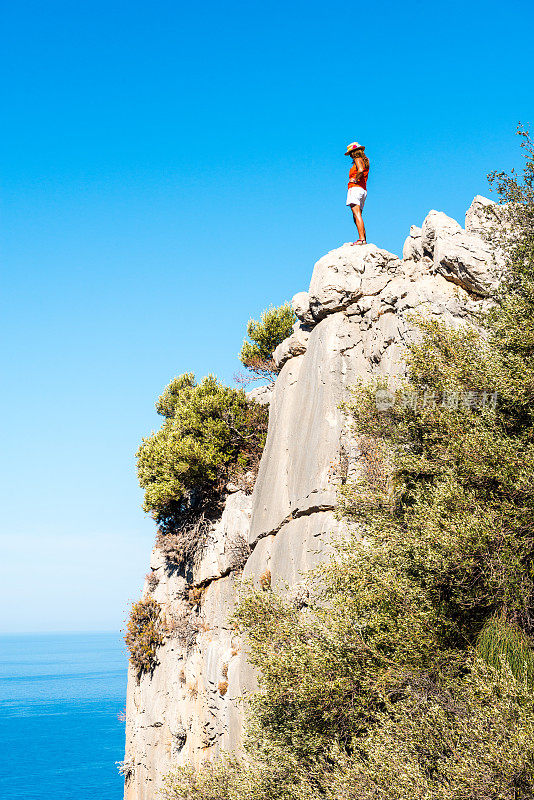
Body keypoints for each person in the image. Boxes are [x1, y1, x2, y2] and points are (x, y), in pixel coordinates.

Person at [345, 141, 369, 245]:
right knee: (357, 216)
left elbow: (360, 170)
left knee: (356, 214)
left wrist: (354, 179)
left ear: (353, 152)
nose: (350, 155)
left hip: (355, 188)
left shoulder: (357, 159)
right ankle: (363, 238)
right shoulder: (365, 160)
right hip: (363, 190)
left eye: (350, 153)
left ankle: (362, 239)